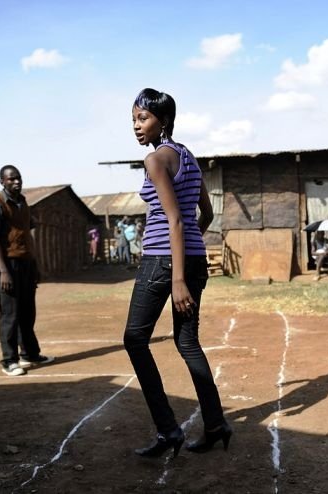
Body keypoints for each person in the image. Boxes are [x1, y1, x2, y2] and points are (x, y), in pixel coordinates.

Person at [123, 88, 232, 458]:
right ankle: (216, 424)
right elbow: (206, 214)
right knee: (187, 343)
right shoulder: (188, 156)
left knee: (135, 340)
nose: (137, 126)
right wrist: (188, 258)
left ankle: (169, 430)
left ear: (163, 120)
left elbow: (173, 219)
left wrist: (177, 277)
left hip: (161, 262)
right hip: (191, 259)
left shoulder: (156, 160)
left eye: (143, 119)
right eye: (134, 119)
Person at [0, 165, 54, 376]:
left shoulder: (23, 202)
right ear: (2, 182)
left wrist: (35, 264)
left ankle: (30, 354)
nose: (16, 182)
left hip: (26, 265)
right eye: (11, 179)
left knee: (27, 312)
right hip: (8, 265)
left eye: (18, 178)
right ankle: (9, 360)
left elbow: (26, 234)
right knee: (10, 314)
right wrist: (3, 271)